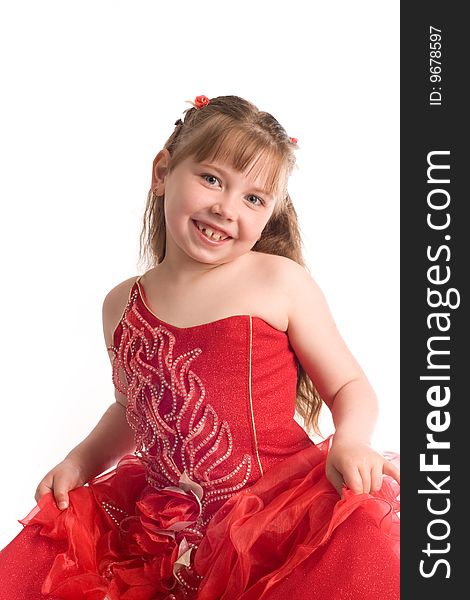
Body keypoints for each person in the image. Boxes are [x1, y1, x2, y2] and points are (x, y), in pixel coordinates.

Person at [0, 94, 400, 599]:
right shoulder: (121, 304)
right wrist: (81, 461)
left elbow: (348, 384)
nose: (225, 207)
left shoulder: (277, 281)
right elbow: (133, 406)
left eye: (253, 198)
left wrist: (350, 440)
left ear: (270, 213)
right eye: (211, 178)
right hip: (166, 531)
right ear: (163, 171)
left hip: (279, 522)